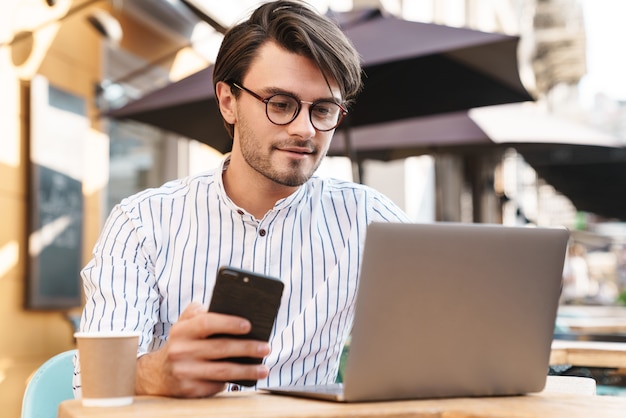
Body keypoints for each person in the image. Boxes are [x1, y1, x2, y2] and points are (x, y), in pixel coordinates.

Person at [74, 0, 411, 398]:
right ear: (228, 101)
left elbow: (441, 340)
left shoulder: (371, 220)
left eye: (323, 109)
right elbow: (89, 388)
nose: (305, 129)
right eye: (281, 104)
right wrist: (154, 375)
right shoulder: (143, 222)